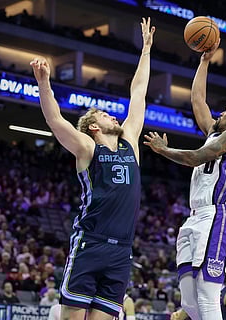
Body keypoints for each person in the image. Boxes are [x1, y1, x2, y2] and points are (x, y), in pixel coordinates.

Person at [31, 17, 155, 320]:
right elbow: (55, 121)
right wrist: (44, 82)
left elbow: (138, 93)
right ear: (94, 126)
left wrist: (147, 50)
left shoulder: (130, 142)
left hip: (121, 251)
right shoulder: (88, 148)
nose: (113, 116)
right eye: (105, 114)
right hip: (91, 243)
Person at [144, 40, 226, 320]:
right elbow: (197, 100)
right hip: (194, 217)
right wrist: (204, 62)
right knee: (190, 301)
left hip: (216, 216)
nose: (220, 113)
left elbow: (196, 157)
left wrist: (164, 150)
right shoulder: (216, 131)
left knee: (208, 294)